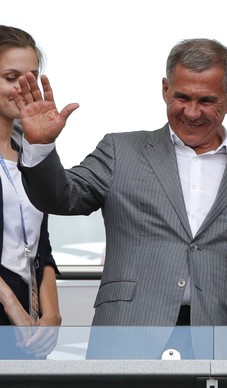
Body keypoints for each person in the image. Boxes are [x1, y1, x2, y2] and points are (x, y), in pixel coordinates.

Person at [12, 38, 227, 359]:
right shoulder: (120, 151)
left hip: (220, 346)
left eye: (207, 100)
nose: (192, 111)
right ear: (164, 90)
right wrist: (40, 146)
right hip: (128, 336)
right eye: (181, 97)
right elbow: (62, 197)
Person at [0, 25, 61, 359]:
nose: (23, 89)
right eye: (11, 77)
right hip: (12, 313)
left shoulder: (30, 151)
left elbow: (42, 244)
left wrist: (51, 314)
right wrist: (11, 306)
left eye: (31, 78)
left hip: (29, 323)